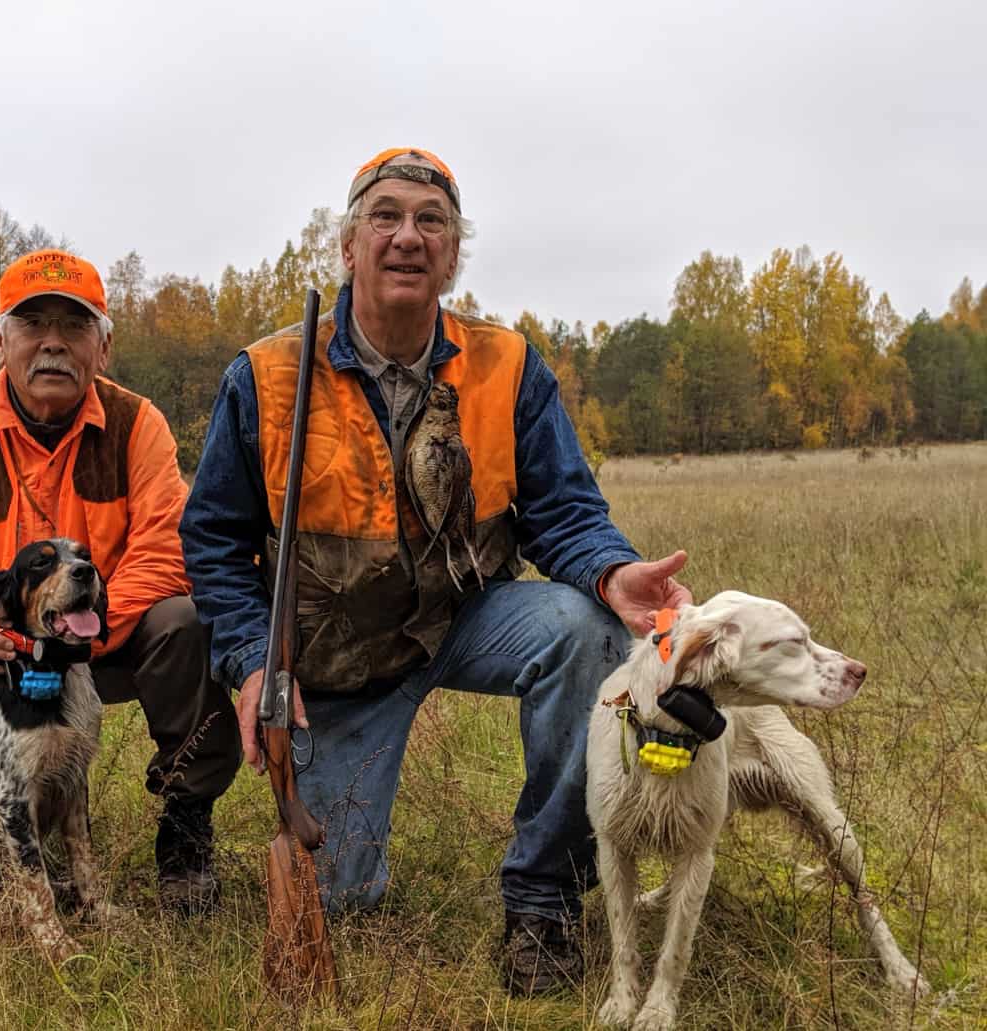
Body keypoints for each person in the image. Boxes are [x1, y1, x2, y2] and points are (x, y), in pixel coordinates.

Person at [178, 148, 691, 994]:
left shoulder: (509, 366)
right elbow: (216, 543)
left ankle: (543, 899)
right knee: (338, 897)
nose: (407, 237)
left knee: (586, 632)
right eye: (385, 217)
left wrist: (609, 573)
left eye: (431, 222)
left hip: (466, 616)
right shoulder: (267, 377)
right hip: (338, 663)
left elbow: (563, 509)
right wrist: (251, 660)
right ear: (347, 247)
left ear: (453, 255)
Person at [0, 248, 240, 913]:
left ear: (103, 345)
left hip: (100, 644)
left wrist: (75, 633)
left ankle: (186, 830)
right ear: (0, 339)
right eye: (32, 323)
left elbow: (166, 546)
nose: (51, 343)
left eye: (72, 326)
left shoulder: (138, 426)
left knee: (186, 621)